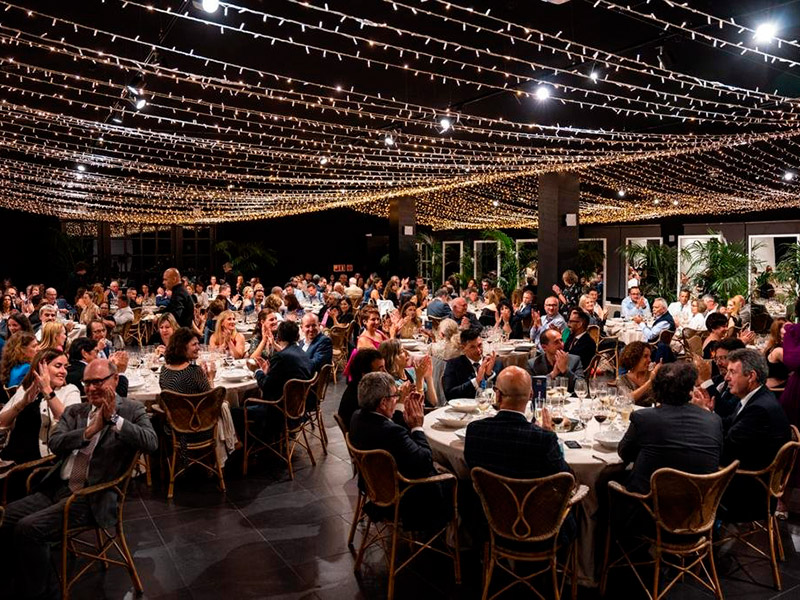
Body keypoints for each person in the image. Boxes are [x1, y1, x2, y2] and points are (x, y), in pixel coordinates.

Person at [0, 359, 157, 600]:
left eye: (98, 382)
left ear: (115, 380)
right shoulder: (76, 412)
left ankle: (42, 593)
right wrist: (88, 432)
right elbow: (55, 443)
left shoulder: (131, 410)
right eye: (87, 383)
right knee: (7, 515)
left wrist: (114, 420)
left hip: (92, 496)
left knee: (29, 529)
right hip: (58, 488)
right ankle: (18, 581)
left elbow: (151, 442)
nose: (92, 388)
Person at [464, 366, 575, 543]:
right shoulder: (543, 440)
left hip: (489, 522)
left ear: (497, 395)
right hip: (539, 527)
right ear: (531, 395)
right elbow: (567, 481)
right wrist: (552, 437)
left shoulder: (475, 430)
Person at [696, 349, 791, 521]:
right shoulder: (758, 398)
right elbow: (729, 425)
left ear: (751, 376)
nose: (726, 378)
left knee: (682, 477)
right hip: (755, 481)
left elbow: (726, 449)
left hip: (748, 495)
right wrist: (707, 412)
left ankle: (693, 539)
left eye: (732, 372)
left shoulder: (758, 409)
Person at [349, 371, 450, 530]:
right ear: (383, 403)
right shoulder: (392, 432)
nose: (397, 399)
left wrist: (402, 411)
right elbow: (424, 461)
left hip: (373, 487)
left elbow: (391, 433)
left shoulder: (357, 417)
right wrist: (417, 426)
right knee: (456, 480)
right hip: (405, 497)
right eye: (394, 396)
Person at [618, 362, 723, 496]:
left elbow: (625, 453)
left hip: (649, 504)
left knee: (607, 478)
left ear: (655, 389)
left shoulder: (644, 418)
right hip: (699, 505)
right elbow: (718, 456)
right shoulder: (714, 420)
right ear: (690, 391)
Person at [0, 349, 81, 465]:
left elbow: (70, 422)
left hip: (42, 463)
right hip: (11, 460)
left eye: (65, 367)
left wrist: (47, 390)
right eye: (58, 366)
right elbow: (1, 424)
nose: (64, 371)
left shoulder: (70, 390)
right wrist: (21, 404)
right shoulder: (26, 389)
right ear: (41, 368)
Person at [252, 320, 313, 401]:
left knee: (234, 409)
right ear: (297, 336)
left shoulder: (280, 357)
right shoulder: (303, 353)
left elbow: (265, 386)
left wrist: (257, 370)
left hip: (279, 407)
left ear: (279, 337)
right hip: (301, 402)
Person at [696, 338, 746, 419]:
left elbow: (726, 410)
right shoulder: (719, 379)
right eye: (716, 358)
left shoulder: (742, 384)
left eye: (723, 358)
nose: (718, 363)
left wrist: (706, 381)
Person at [443, 329, 499, 400]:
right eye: (472, 347)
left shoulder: (493, 362)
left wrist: (488, 375)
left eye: (480, 345)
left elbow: (501, 392)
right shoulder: (453, 365)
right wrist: (477, 380)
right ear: (463, 348)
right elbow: (450, 394)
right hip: (463, 408)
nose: (478, 350)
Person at [381, 339, 437, 407]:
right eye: (401, 351)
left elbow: (433, 402)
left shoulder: (413, 371)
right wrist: (419, 379)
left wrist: (429, 377)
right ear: (391, 358)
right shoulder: (392, 383)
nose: (407, 353)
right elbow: (416, 407)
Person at [337, 348, 385, 428]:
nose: (385, 373)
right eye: (380, 369)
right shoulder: (363, 399)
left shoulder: (358, 387)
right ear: (365, 374)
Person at [528, 328, 584, 393]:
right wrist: (552, 374)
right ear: (544, 347)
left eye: (561, 340)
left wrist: (565, 370)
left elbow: (582, 386)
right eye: (556, 342)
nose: (562, 345)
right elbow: (531, 389)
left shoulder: (575, 360)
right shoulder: (533, 364)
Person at [616, 342, 659, 407]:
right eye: (645, 356)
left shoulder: (653, 374)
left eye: (650, 356)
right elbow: (628, 399)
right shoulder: (622, 379)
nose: (649, 360)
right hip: (631, 415)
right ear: (635, 358)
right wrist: (649, 381)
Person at [764, 318, 789, 390]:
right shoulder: (779, 351)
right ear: (778, 332)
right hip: (777, 391)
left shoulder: (772, 345)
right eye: (786, 328)